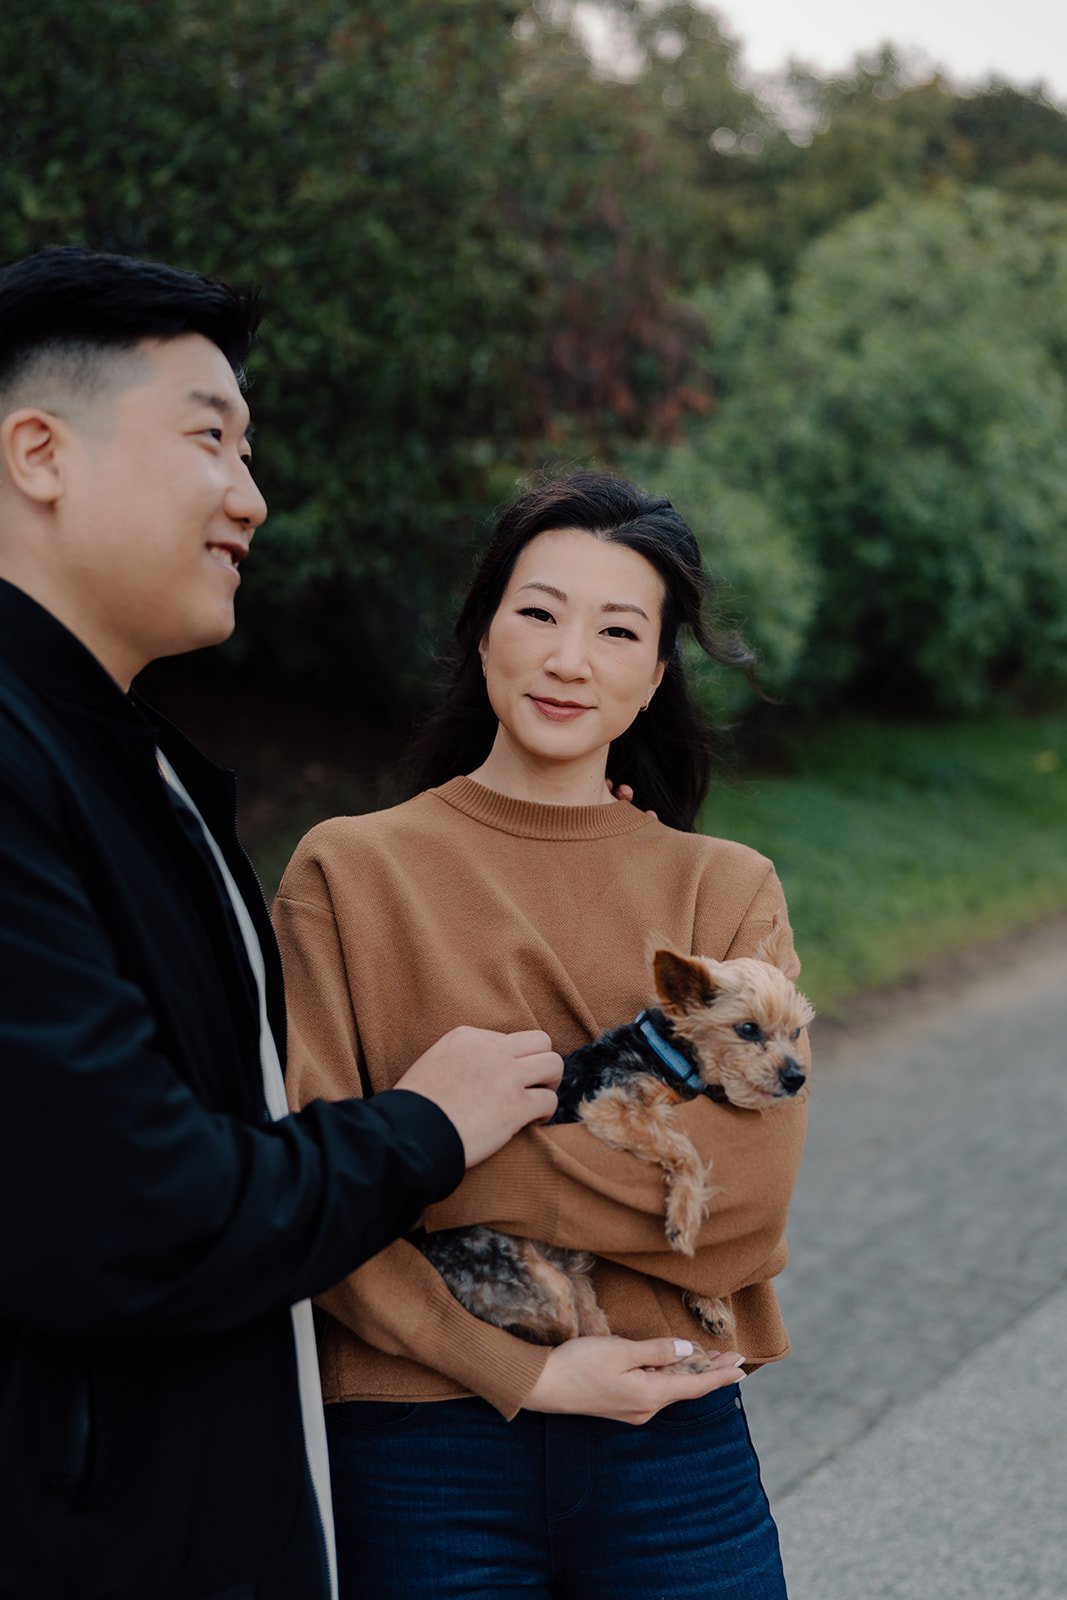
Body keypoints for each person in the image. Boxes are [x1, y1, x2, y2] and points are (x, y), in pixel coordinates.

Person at [0, 245, 573, 1600]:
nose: (251, 499)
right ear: (38, 453)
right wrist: (423, 1127)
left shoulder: (133, 763)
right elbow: (143, 1216)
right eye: (213, 439)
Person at [275, 472, 810, 1599]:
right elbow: (313, 1187)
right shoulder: (349, 872)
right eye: (537, 612)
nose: (569, 658)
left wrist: (435, 1162)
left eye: (616, 629)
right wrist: (523, 1367)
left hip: (675, 1427)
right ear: (479, 635)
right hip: (420, 1438)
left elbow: (746, 1196)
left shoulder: (721, 890)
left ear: (655, 672)